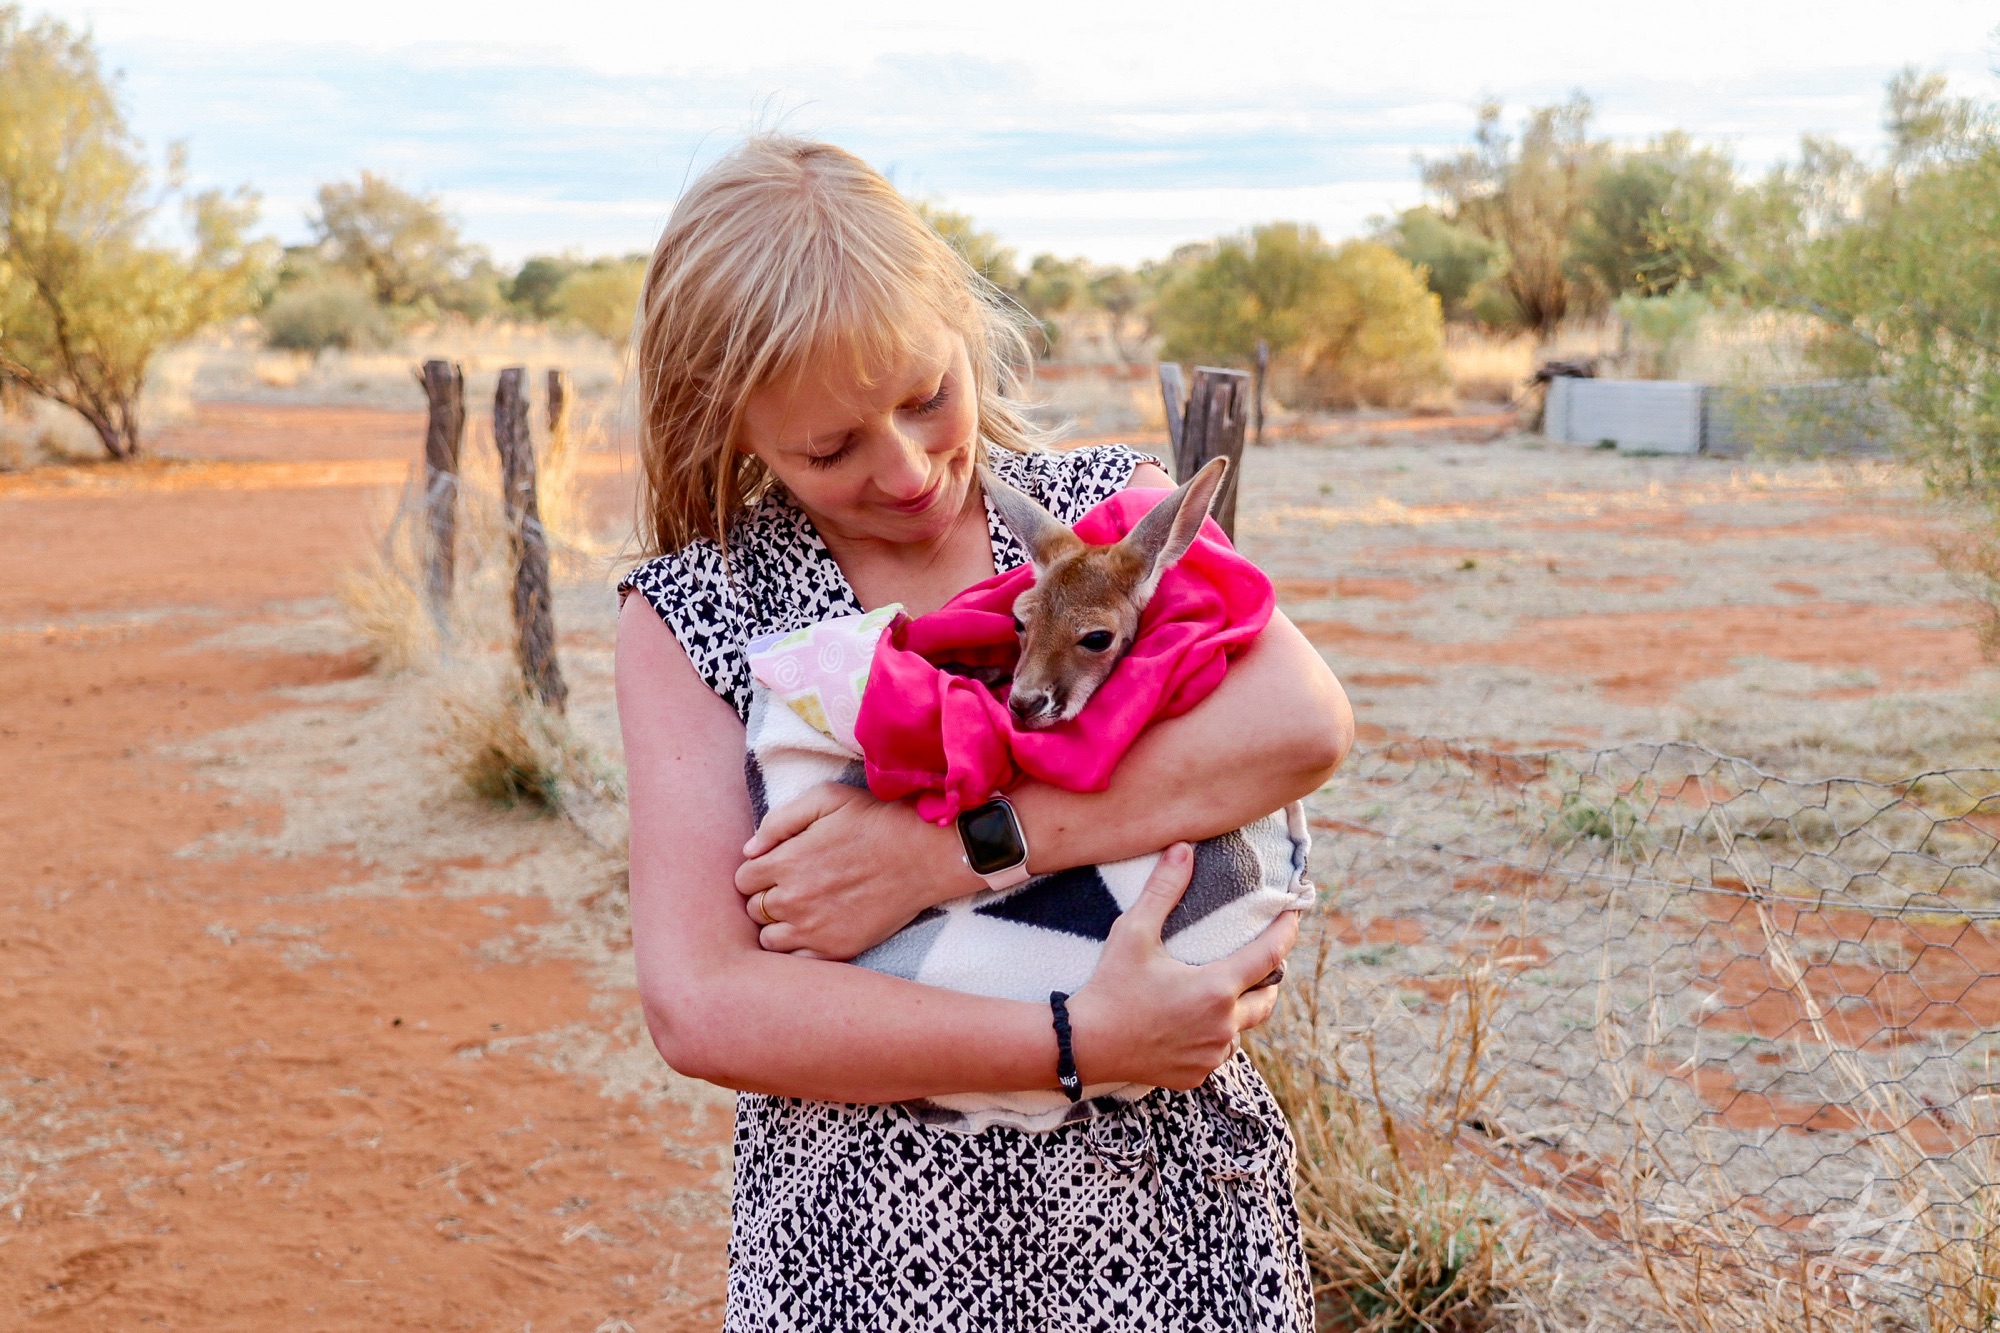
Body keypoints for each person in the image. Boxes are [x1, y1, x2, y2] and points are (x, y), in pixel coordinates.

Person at [615, 136, 1355, 1331]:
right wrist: (1077, 1035)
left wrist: (942, 852)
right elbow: (700, 1003)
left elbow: (1297, 723)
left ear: (964, 326)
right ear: (730, 421)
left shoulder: (1098, 517)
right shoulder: (698, 612)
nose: (906, 469)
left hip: (1169, 1220)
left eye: (924, 396)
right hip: (869, 1247)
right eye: (829, 446)